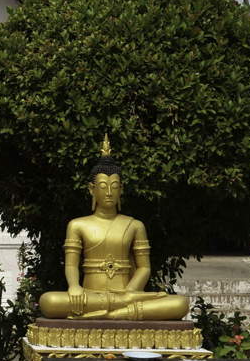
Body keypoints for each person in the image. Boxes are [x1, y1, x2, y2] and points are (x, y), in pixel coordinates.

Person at [38, 137, 189, 321]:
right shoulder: (78, 225)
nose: (109, 192)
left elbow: (144, 268)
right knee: (49, 301)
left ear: (121, 190)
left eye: (114, 186)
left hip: (127, 295)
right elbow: (71, 264)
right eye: (103, 186)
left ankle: (115, 315)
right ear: (91, 189)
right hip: (90, 296)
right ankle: (119, 313)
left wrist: (130, 293)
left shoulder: (134, 225)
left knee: (180, 303)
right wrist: (74, 287)